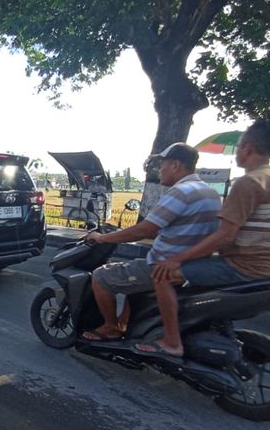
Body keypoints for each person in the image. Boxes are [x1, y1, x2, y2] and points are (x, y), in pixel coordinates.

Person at [146, 120, 270, 357]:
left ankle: (172, 342)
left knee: (162, 275)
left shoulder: (249, 182)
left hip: (242, 266)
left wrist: (176, 259)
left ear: (246, 148)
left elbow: (225, 235)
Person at [81, 143, 222, 341]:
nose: (159, 170)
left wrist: (102, 238)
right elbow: (184, 228)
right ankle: (128, 324)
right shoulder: (209, 192)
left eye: (162, 164)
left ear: (175, 165)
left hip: (164, 266)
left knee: (101, 276)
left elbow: (146, 229)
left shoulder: (182, 192)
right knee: (129, 275)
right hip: (193, 264)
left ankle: (111, 327)